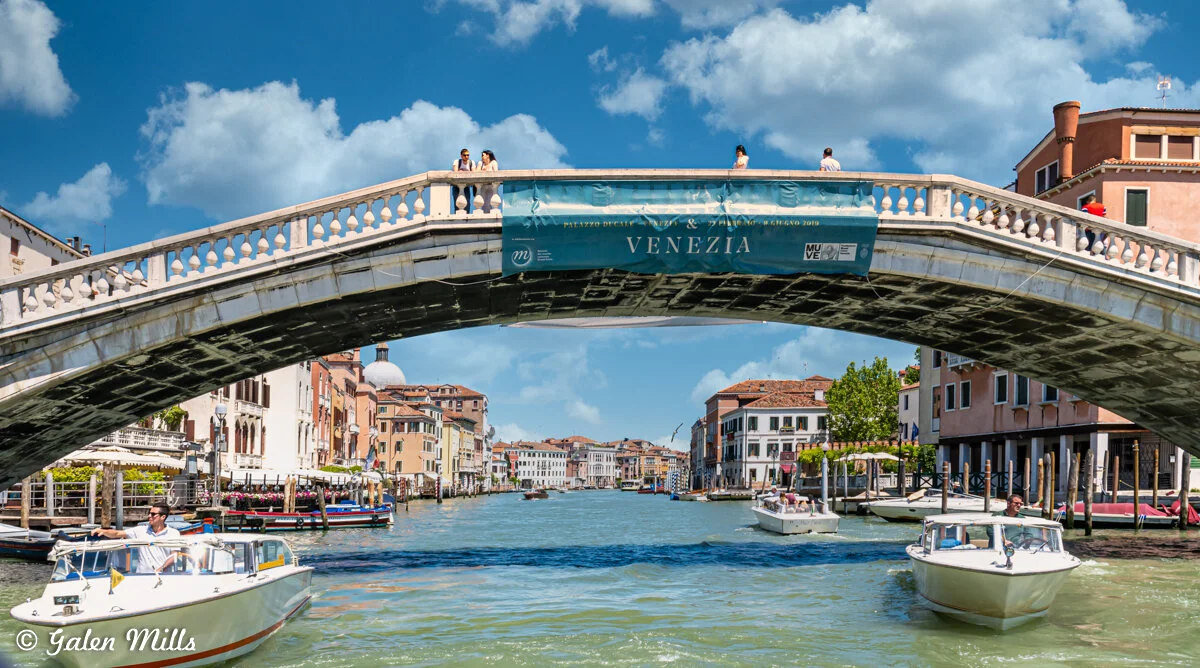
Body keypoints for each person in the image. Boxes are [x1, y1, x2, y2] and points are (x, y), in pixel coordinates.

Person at [91, 502, 182, 573]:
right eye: (149, 513)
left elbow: (174, 556)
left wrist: (160, 569)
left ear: (163, 517)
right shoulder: (141, 530)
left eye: (153, 514)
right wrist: (103, 531)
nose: (149, 516)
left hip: (163, 577)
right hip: (141, 577)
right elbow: (117, 533)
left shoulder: (173, 533)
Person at [451, 148, 476, 213]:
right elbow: (455, 172)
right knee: (457, 203)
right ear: (461, 156)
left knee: (467, 203)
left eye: (468, 155)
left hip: (466, 186)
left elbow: (474, 173)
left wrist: (462, 171)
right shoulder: (457, 162)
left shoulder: (471, 162)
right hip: (456, 186)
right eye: (464, 155)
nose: (466, 157)